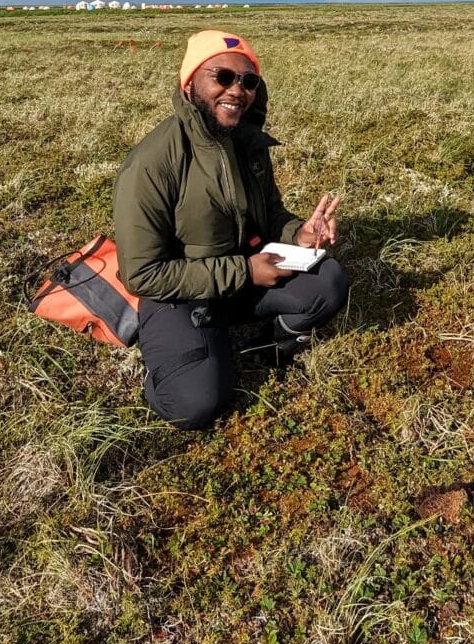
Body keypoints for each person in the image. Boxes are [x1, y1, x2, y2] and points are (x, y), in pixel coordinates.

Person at [113, 30, 350, 429]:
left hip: (246, 273)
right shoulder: (152, 164)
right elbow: (143, 274)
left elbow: (270, 215)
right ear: (189, 84)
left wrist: (299, 234)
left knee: (329, 282)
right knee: (195, 404)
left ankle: (272, 339)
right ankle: (172, 356)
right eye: (221, 77)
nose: (236, 90)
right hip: (181, 295)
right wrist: (246, 271)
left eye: (248, 80)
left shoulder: (247, 142)